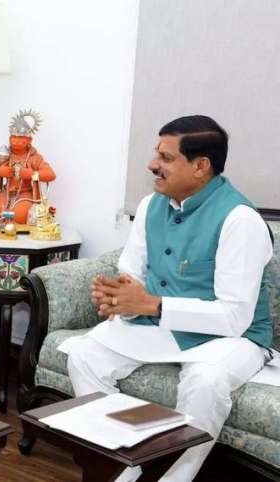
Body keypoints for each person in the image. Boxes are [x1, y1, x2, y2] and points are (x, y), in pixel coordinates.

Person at [65, 115, 273, 482]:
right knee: (84, 356)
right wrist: (121, 299)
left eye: (166, 157)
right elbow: (133, 272)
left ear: (200, 166)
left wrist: (150, 304)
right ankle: (125, 470)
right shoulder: (151, 205)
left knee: (205, 382)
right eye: (155, 154)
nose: (152, 164)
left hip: (232, 338)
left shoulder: (240, 219)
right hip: (161, 325)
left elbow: (234, 317)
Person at [0, 111, 56, 224]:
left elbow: (51, 175)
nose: (15, 141)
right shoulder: (5, 155)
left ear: (29, 140)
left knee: (19, 216)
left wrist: (32, 174)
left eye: (20, 138)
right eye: (13, 138)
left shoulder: (34, 158)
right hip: (6, 193)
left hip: (25, 194)